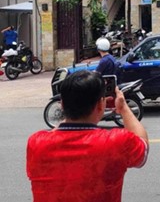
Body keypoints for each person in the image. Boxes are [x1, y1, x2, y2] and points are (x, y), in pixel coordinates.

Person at [26, 70, 148, 202]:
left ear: (61, 104)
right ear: (101, 104)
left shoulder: (36, 142)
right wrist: (123, 107)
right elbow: (143, 148)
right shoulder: (115, 141)